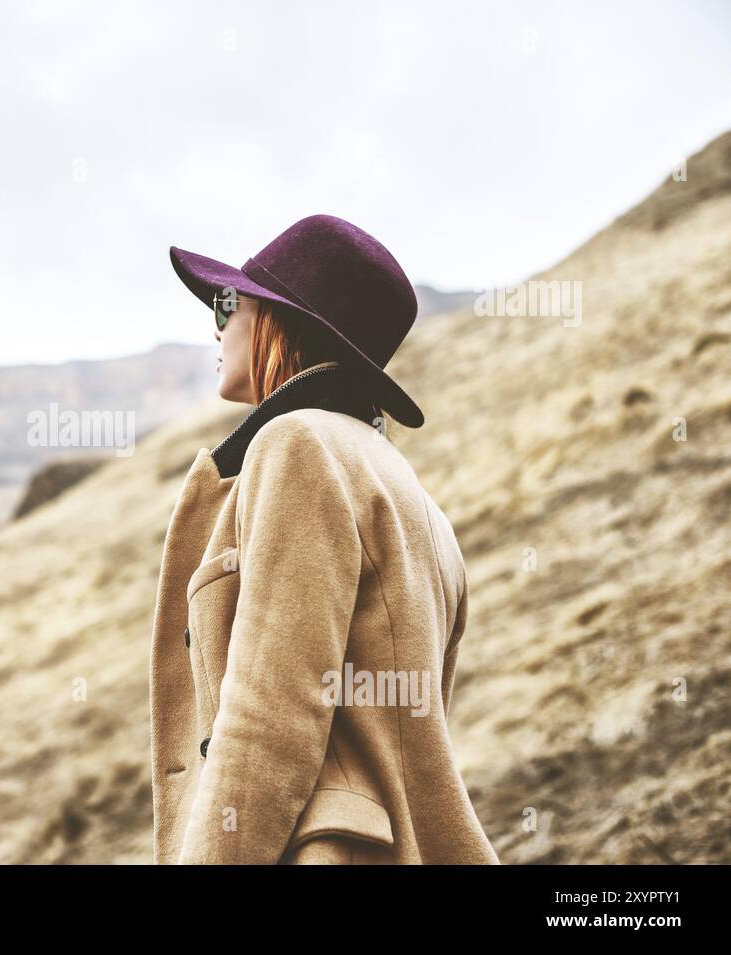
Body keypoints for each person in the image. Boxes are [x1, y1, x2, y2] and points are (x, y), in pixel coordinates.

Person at [149, 214, 501, 864]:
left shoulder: (299, 444)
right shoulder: (419, 503)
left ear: (283, 322)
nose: (216, 324)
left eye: (232, 305)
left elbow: (268, 717)